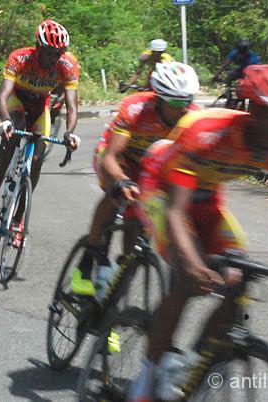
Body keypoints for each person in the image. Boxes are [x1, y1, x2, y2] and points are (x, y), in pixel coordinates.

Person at [127, 65, 268, 401]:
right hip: (162, 191)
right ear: (251, 108)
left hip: (207, 199)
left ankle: (195, 363)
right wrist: (194, 263)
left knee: (237, 278)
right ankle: (149, 375)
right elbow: (177, 213)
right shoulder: (207, 131)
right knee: (186, 275)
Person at [71, 62, 201, 296]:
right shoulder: (135, 108)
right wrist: (121, 181)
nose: (183, 108)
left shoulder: (193, 117)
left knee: (138, 221)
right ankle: (89, 257)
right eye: (176, 102)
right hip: (119, 157)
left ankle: (118, 283)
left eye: (187, 100)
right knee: (117, 195)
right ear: (159, 98)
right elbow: (111, 157)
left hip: (152, 165)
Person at [0, 19, 80, 245]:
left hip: (40, 106)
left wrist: (69, 133)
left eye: (60, 52)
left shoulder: (67, 65)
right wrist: (5, 121)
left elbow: (73, 106)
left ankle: (18, 221)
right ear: (38, 48)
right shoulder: (20, 57)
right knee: (15, 132)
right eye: (50, 52)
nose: (55, 58)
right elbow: (2, 95)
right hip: (17, 101)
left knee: (37, 160)